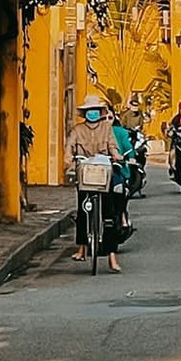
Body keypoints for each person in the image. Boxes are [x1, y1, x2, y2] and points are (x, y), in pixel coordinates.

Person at [67, 93, 126, 271]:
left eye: (94, 110)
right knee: (83, 210)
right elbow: (69, 145)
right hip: (85, 171)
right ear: (85, 113)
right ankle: (82, 248)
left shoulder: (107, 128)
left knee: (109, 214)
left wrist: (115, 154)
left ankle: (112, 257)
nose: (91, 113)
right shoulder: (77, 130)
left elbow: (112, 145)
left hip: (103, 171)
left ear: (99, 112)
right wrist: (68, 156)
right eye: (88, 111)